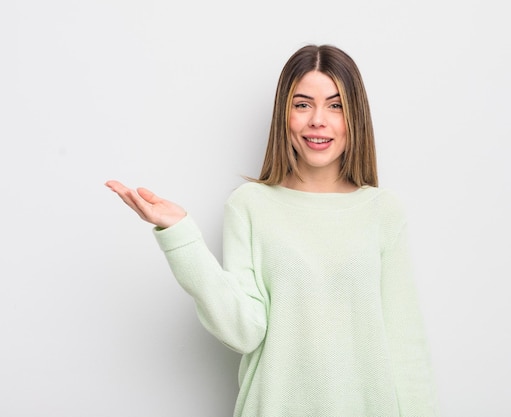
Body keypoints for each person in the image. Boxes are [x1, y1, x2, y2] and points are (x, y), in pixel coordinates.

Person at [106, 44, 439, 416]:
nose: (317, 119)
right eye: (302, 104)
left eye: (335, 105)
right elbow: (244, 331)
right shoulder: (250, 205)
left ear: (355, 117)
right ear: (285, 115)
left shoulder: (382, 211)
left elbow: (405, 347)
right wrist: (182, 236)